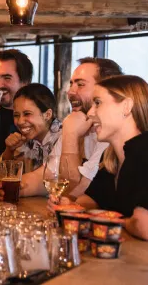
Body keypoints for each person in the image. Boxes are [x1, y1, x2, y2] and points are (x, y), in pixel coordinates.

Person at [55, 75, 148, 251]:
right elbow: (92, 200)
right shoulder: (111, 155)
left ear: (126, 107)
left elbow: (146, 228)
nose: (90, 113)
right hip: (144, 259)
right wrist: (70, 207)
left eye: (98, 102)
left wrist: (109, 220)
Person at [61, 57, 123, 197]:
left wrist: (71, 136)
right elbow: (48, 176)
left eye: (80, 84)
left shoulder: (111, 134)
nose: (70, 92)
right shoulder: (75, 122)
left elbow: (74, 192)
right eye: (71, 84)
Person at [0, 83, 62, 201]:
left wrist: (4, 188)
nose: (20, 122)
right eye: (16, 115)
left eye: (27, 114)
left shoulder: (64, 136)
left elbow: (45, 178)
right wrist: (9, 150)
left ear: (47, 114)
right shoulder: (26, 140)